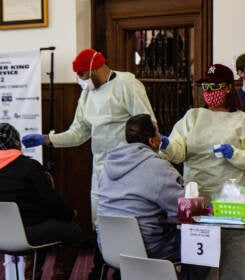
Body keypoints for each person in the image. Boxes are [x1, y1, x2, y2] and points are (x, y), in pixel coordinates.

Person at [21, 48, 156, 278]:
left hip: (130, 168)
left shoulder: (127, 84)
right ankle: (101, 267)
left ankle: (124, 270)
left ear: (95, 68)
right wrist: (47, 139)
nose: (80, 80)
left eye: (82, 75)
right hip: (101, 169)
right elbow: (78, 133)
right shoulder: (87, 95)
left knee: (127, 222)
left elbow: (147, 123)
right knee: (101, 225)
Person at [160, 64, 245, 280]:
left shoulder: (243, 121)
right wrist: (166, 145)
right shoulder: (192, 117)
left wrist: (234, 154)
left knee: (234, 258)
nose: (209, 91)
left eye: (214, 86)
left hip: (230, 201)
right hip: (197, 200)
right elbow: (179, 151)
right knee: (200, 263)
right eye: (205, 87)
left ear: (228, 87)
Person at [97, 114, 210, 280]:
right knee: (204, 245)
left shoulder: (107, 164)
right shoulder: (157, 167)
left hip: (109, 246)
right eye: (158, 133)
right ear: (152, 141)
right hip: (147, 246)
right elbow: (187, 208)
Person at [0, 122, 82, 280]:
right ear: (17, 144)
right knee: (74, 231)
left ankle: (32, 275)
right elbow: (52, 201)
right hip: (26, 234)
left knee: (45, 224)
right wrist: (70, 214)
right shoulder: (29, 166)